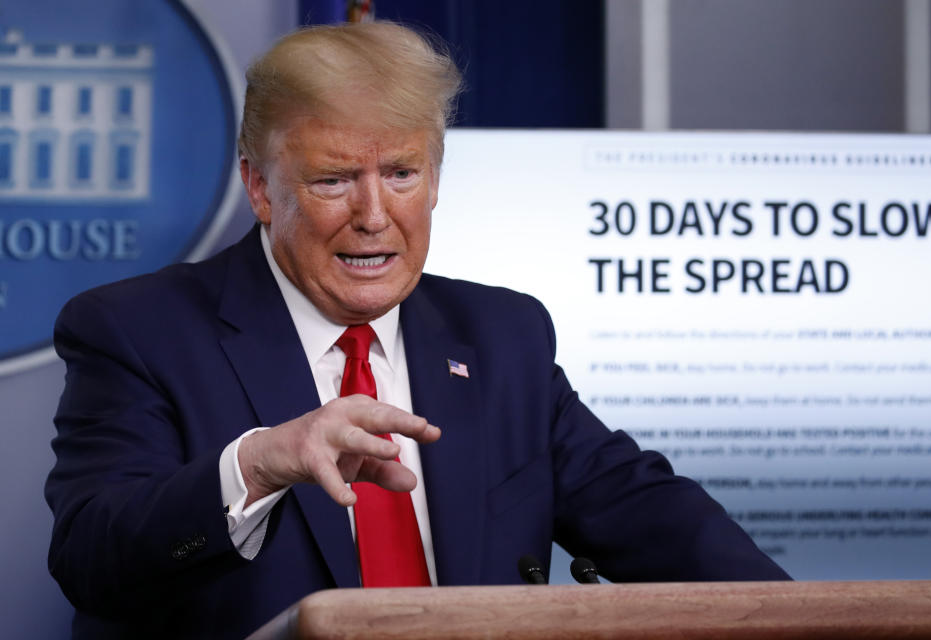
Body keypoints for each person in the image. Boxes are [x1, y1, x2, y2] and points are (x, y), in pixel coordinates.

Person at [45, 21, 789, 640]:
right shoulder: (138, 330)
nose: (374, 214)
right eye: (334, 179)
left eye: (401, 173)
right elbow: (92, 558)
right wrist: (264, 463)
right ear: (259, 187)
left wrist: (817, 618)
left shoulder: (503, 335)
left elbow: (651, 514)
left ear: (435, 178)